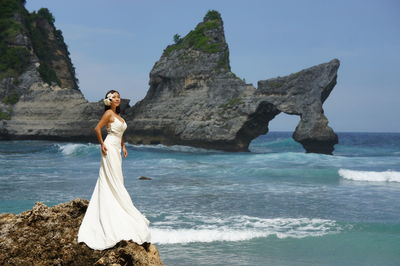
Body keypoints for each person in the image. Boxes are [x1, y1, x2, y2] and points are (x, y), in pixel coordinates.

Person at [77, 90, 151, 250]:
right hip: (109, 148)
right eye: (114, 97)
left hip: (117, 148)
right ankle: (113, 209)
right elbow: (97, 128)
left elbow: (121, 133)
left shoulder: (120, 116)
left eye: (118, 97)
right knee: (111, 178)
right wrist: (102, 144)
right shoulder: (109, 114)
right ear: (109, 100)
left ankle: (117, 206)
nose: (117, 99)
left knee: (117, 179)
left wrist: (123, 146)